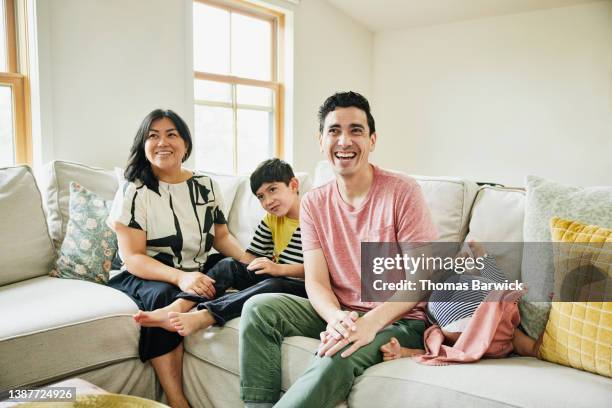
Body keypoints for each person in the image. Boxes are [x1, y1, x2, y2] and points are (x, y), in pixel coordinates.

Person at [239, 91, 438, 408]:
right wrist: (334, 317)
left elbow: (421, 278)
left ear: (372, 140)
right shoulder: (314, 203)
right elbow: (316, 281)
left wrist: (369, 324)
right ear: (321, 141)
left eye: (355, 130)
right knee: (258, 308)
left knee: (339, 350)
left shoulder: (402, 192)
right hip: (343, 310)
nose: (344, 141)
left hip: (400, 320)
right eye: (334, 131)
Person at [106, 109, 244, 408]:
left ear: (185, 142)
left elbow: (221, 238)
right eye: (153, 136)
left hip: (195, 266)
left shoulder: (206, 185)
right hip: (144, 271)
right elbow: (133, 258)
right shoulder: (135, 190)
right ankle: (177, 399)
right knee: (165, 294)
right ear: (143, 144)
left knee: (236, 269)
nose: (162, 142)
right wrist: (182, 277)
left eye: (171, 134)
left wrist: (251, 260)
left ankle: (187, 304)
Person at [135, 158, 307, 336]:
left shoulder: (314, 217)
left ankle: (205, 316)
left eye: (272, 190)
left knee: (274, 283)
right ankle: (177, 306)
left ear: (293, 185)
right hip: (276, 277)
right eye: (261, 197)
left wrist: (279, 268)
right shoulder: (272, 220)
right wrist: (234, 276)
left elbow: (325, 271)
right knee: (228, 264)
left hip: (305, 289)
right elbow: (248, 259)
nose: (268, 201)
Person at [380, 241, 541, 362]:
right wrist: (481, 255)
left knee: (441, 345)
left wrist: (404, 352)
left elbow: (437, 349)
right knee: (524, 341)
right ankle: (472, 259)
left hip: (462, 328)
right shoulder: (508, 331)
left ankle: (404, 352)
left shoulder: (436, 317)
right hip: (476, 315)